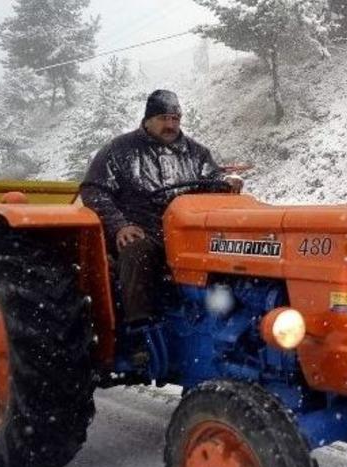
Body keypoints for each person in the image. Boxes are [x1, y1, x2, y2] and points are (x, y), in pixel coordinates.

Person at [81, 89, 237, 327]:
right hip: (144, 230)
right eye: (164, 118)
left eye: (175, 119)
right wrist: (120, 226)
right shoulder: (120, 150)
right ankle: (140, 331)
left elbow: (214, 181)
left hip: (189, 233)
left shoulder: (197, 153)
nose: (170, 125)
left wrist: (227, 185)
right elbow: (95, 190)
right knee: (136, 251)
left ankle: (227, 319)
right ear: (148, 120)